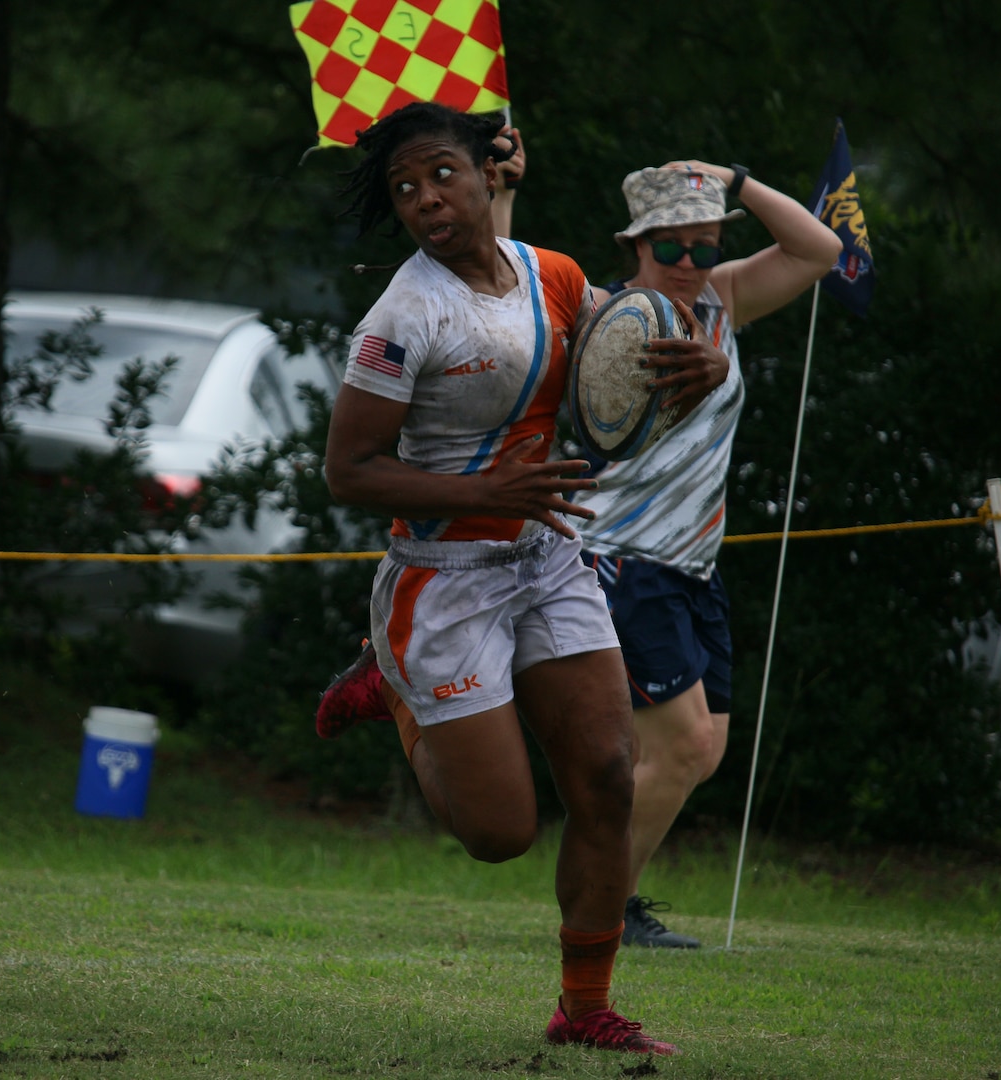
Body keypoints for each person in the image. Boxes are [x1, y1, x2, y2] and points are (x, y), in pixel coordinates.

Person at [320, 154, 841, 950]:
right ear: (638, 245)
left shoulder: (719, 307)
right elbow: (497, 332)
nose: (693, 264)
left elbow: (820, 253)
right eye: (675, 248)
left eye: (706, 248)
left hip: (681, 564)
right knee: (614, 778)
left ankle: (591, 992)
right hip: (610, 550)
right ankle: (612, 901)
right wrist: (503, 194)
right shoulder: (607, 316)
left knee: (677, 756)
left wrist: (733, 184)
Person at [324, 101, 676, 1056]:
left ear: (490, 174)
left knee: (607, 776)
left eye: (442, 174)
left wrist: (698, 365)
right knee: (499, 834)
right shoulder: (403, 314)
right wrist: (487, 486)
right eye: (405, 189)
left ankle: (585, 1008)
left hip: (547, 554)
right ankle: (388, 679)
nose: (426, 199)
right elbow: (348, 470)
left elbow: (624, 366)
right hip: (444, 577)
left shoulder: (551, 274)